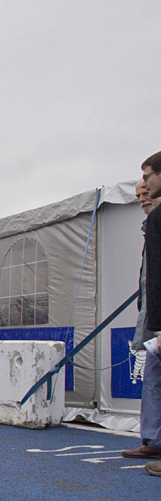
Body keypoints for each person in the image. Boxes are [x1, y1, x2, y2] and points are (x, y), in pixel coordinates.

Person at [129, 154, 161, 476]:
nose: (144, 196)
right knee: (152, 374)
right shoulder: (149, 224)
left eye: (147, 184)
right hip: (151, 315)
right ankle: (153, 440)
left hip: (157, 318)